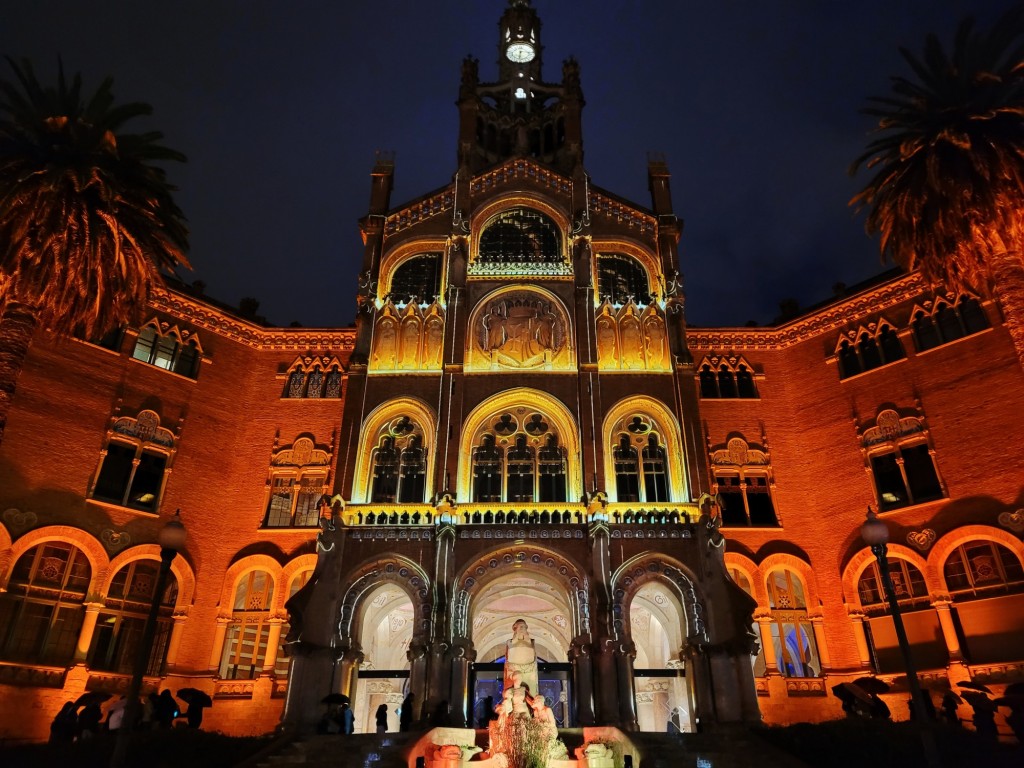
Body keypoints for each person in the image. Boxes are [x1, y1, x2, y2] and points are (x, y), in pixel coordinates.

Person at [505, 619, 539, 699]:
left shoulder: (531, 643)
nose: (522, 629)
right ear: (515, 628)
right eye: (520, 627)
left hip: (529, 671)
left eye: (524, 627)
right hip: (513, 670)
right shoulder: (510, 643)